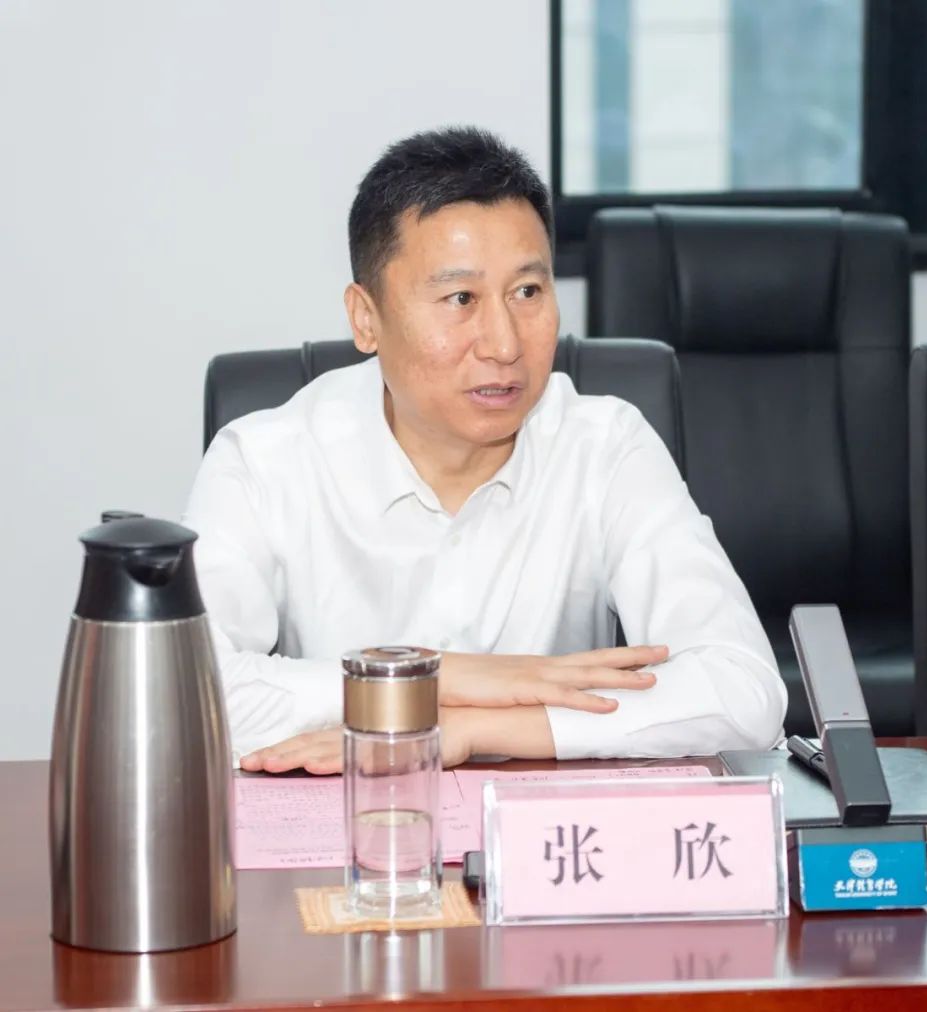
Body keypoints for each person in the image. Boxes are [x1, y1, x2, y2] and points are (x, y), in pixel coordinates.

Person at [183, 126, 786, 774]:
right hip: (351, 828)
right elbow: (186, 696)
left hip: (549, 831)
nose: (504, 343)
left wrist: (469, 727)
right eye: (460, 299)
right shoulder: (263, 461)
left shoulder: (605, 446)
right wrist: (449, 677)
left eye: (528, 292)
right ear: (366, 318)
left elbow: (745, 691)